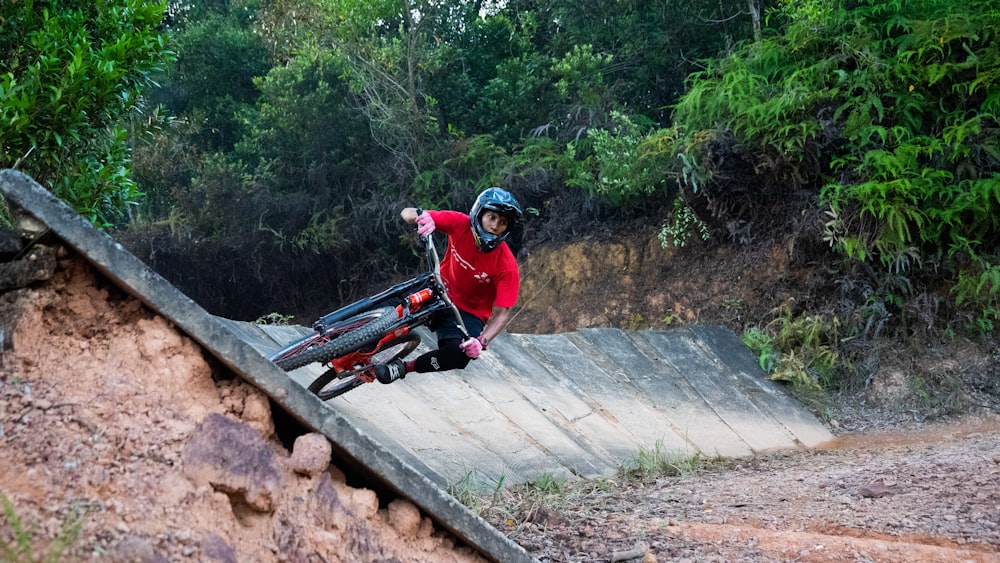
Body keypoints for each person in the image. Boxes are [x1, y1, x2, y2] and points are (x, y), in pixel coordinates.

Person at [373, 187, 523, 384]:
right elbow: (407, 212)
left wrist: (481, 341)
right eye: (491, 217)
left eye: (502, 222)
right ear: (479, 213)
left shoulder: (507, 265)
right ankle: (337, 334)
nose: (495, 225)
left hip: (466, 313)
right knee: (384, 302)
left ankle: (402, 368)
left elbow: (503, 313)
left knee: (459, 355)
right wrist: (421, 218)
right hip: (436, 286)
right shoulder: (460, 223)